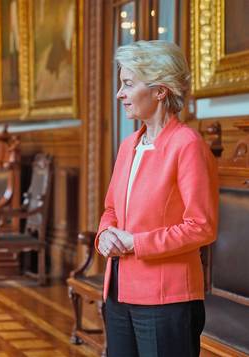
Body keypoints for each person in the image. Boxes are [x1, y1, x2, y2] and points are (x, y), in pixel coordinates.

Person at [96, 40, 218, 357]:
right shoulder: (128, 145)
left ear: (160, 90)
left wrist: (137, 242)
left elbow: (201, 227)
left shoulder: (187, 144)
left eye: (127, 84)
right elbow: (111, 209)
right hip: (118, 291)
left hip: (167, 299)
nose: (119, 94)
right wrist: (105, 234)